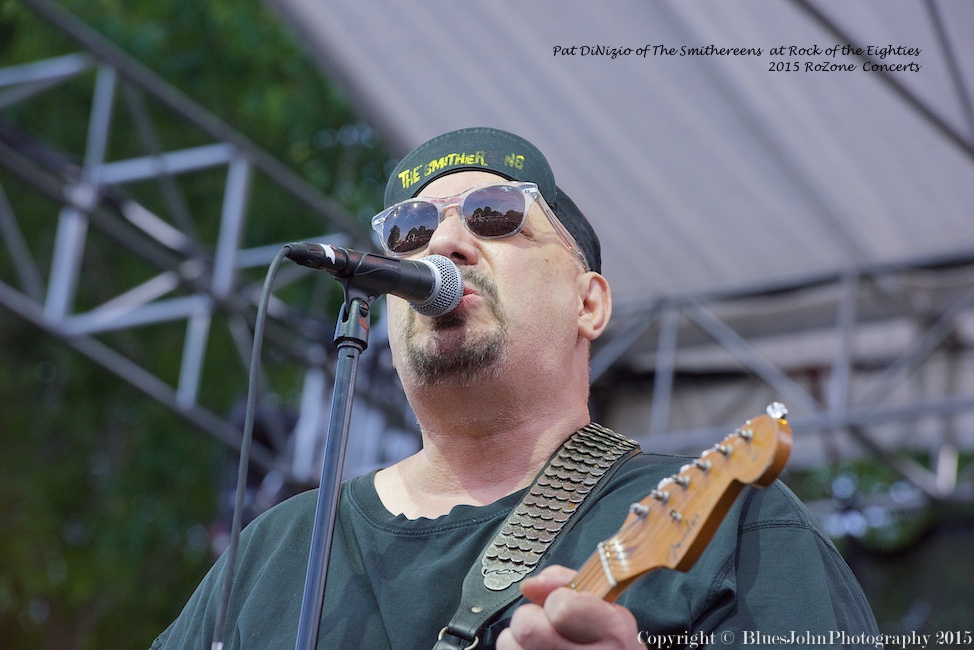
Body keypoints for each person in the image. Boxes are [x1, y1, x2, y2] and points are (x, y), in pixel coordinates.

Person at [152, 127, 879, 649]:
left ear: (589, 303)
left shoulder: (732, 522)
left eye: (495, 217)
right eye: (407, 232)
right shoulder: (271, 556)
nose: (441, 245)